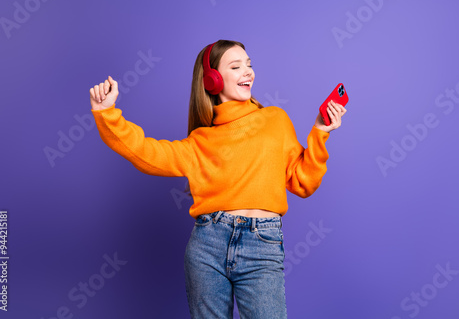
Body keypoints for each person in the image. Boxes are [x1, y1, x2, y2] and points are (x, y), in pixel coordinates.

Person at [89, 40, 347, 318]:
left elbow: (304, 182)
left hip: (262, 243)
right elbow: (145, 152)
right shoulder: (200, 141)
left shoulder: (275, 120)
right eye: (236, 66)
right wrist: (107, 114)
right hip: (207, 245)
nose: (248, 72)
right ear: (212, 80)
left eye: (249, 64)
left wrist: (320, 131)